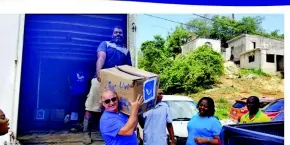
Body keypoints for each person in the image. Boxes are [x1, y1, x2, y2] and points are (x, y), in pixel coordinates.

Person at [83, 26, 132, 137]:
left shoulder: (126, 51)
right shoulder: (105, 44)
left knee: (119, 106)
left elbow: (128, 68)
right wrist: (99, 74)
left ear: (123, 35)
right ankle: (87, 133)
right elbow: (101, 57)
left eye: (120, 32)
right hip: (101, 79)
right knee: (92, 105)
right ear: (112, 34)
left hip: (117, 82)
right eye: (116, 32)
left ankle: (117, 130)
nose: (118, 34)